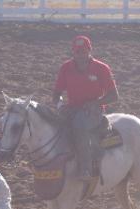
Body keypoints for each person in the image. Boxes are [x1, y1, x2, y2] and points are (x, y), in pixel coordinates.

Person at [52, 35, 119, 180]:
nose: (80, 55)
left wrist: (96, 102)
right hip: (72, 108)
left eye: (83, 51)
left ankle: (86, 168)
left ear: (89, 51)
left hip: (93, 111)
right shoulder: (65, 68)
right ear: (73, 52)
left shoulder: (102, 68)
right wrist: (59, 105)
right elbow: (56, 93)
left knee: (79, 127)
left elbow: (114, 96)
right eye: (77, 52)